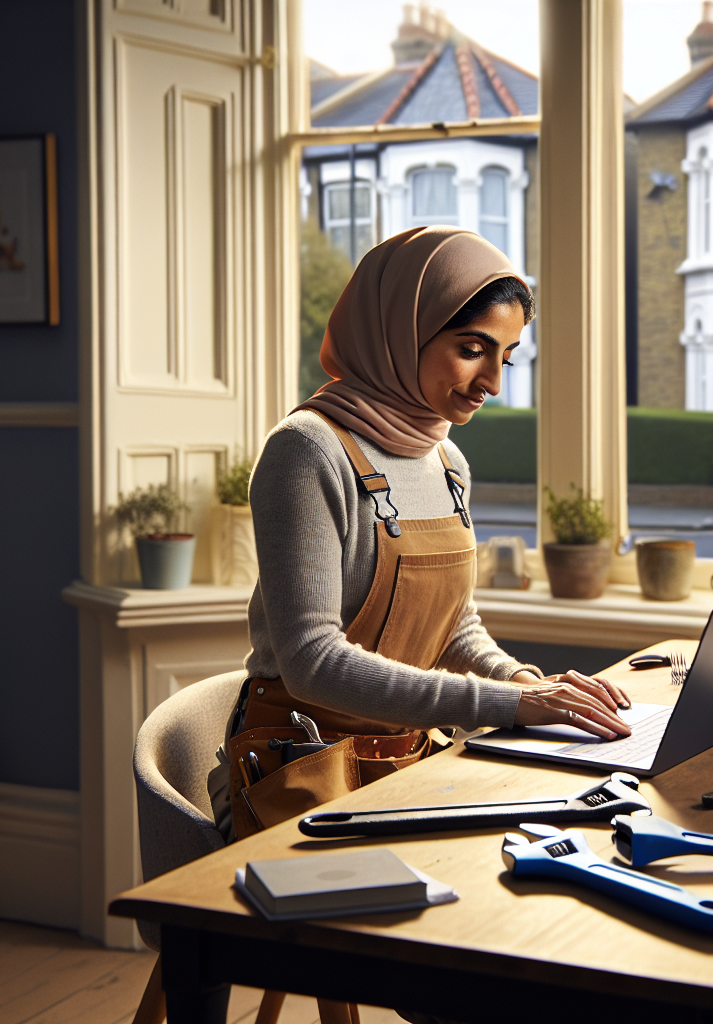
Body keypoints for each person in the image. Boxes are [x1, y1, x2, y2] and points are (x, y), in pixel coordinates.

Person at [209, 226, 630, 839]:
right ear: (401, 330)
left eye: (506, 357)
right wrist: (506, 706)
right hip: (300, 768)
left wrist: (522, 682)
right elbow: (311, 664)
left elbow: (454, 623)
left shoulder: (445, 460)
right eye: (472, 349)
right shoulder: (307, 452)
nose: (492, 382)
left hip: (407, 760)